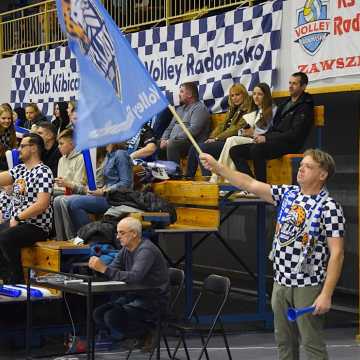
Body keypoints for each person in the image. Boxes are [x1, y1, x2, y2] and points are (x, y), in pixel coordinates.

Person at [200, 148, 345, 360]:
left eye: (308, 167)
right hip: (281, 280)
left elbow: (337, 253)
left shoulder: (330, 207)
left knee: (311, 343)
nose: (301, 169)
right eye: (301, 165)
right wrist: (218, 167)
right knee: (284, 341)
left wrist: (326, 294)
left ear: (322, 175)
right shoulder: (288, 194)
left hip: (309, 283)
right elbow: (249, 183)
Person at [89, 217, 170, 350]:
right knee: (98, 313)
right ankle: (140, 335)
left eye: (122, 233)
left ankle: (148, 332)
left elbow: (135, 277)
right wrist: (98, 268)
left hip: (153, 298)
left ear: (134, 234)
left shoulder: (146, 250)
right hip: (135, 294)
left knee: (111, 316)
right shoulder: (126, 250)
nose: (117, 237)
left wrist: (104, 269)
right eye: (117, 233)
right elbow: (113, 269)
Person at [229, 72, 314, 182]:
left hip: (290, 143)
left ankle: (261, 186)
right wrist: (263, 136)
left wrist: (267, 138)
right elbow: (274, 128)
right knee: (235, 151)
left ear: (303, 86)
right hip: (276, 140)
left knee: (257, 149)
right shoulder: (285, 104)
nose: (290, 86)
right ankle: (250, 184)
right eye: (289, 83)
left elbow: (294, 134)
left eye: (294, 83)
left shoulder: (305, 106)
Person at [0, 133, 53, 284]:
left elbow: (42, 204)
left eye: (22, 146)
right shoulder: (20, 169)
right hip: (18, 222)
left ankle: (16, 281)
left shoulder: (43, 171)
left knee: (5, 238)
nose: (18, 149)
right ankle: (4, 279)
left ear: (34, 148)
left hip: (36, 225)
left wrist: (18, 217)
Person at [209, 82, 275, 183]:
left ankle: (219, 178)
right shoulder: (256, 109)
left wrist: (251, 133)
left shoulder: (271, 109)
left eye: (260, 94)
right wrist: (244, 132)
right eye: (254, 94)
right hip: (250, 139)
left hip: (263, 141)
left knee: (231, 140)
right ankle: (227, 180)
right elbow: (243, 130)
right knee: (232, 144)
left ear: (266, 96)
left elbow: (264, 131)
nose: (256, 97)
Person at [185, 83, 253, 178]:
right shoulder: (232, 109)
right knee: (194, 147)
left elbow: (235, 129)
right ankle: (188, 177)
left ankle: (207, 178)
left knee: (201, 149)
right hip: (223, 140)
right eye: (232, 96)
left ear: (244, 94)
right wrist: (212, 137)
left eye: (238, 95)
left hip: (233, 142)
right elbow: (221, 126)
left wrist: (216, 138)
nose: (235, 98)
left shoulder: (248, 109)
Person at [67, 143, 133, 234]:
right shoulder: (108, 155)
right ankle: (83, 235)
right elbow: (110, 181)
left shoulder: (120, 154)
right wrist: (100, 189)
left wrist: (104, 191)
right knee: (70, 201)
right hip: (107, 196)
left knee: (75, 203)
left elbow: (126, 182)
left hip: (118, 199)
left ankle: (88, 235)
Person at [160, 82, 210, 165]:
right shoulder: (179, 109)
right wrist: (164, 139)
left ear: (189, 94)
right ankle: (162, 173)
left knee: (172, 144)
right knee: (155, 144)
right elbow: (170, 127)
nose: (179, 94)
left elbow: (194, 129)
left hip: (190, 144)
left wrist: (172, 140)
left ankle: (175, 173)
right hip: (174, 141)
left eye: (182, 91)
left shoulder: (199, 108)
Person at [53, 128, 87, 240]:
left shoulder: (81, 158)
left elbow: (79, 185)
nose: (59, 146)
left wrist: (66, 183)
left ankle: (70, 236)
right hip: (62, 191)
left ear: (72, 144)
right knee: (44, 195)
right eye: (58, 143)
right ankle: (59, 236)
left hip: (77, 193)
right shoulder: (61, 160)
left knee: (58, 199)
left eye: (62, 143)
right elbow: (59, 184)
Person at [0, 105, 17, 171]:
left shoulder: (12, 130)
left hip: (7, 163)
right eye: (3, 118)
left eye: (9, 118)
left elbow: (13, 147)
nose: (7, 121)